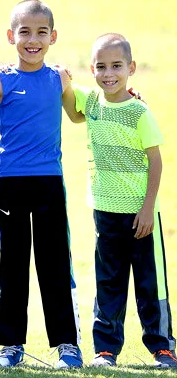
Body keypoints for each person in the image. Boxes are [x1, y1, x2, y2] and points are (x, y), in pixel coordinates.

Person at [0, 0, 82, 369]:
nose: (33, 40)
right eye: (25, 32)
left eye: (41, 32)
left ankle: (67, 344)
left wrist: (124, 98)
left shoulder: (59, 79)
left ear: (53, 37)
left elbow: (80, 116)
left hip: (50, 183)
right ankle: (10, 346)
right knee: (12, 265)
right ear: (10, 35)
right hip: (10, 185)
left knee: (54, 265)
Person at [64, 34, 177, 369]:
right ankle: (105, 350)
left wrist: (147, 209)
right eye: (101, 67)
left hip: (140, 215)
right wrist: (65, 82)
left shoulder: (139, 111)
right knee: (108, 282)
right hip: (105, 212)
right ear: (92, 69)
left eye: (116, 66)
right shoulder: (93, 103)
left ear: (131, 69)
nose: (108, 73)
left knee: (149, 283)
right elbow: (72, 111)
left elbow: (155, 162)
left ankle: (163, 348)